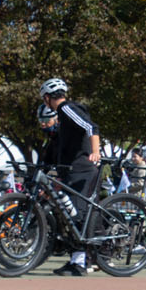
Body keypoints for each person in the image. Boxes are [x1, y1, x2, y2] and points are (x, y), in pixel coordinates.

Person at [39, 77, 100, 276]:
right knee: (70, 217)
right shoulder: (62, 116)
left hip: (83, 171)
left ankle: (84, 262)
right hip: (70, 172)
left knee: (78, 215)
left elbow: (91, 127)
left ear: (47, 98)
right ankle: (76, 260)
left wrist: (95, 151)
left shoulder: (66, 109)